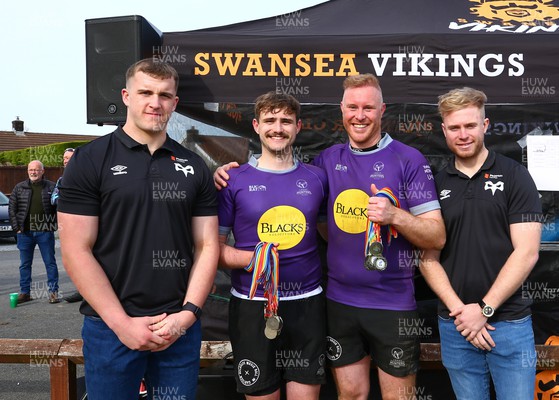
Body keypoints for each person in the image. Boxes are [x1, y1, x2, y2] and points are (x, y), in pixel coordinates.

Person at [216, 74, 446, 400]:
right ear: (342, 110)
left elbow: (436, 237)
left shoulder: (409, 160)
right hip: (338, 304)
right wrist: (223, 173)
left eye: (368, 107)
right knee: (350, 395)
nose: (360, 115)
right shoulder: (326, 162)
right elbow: (323, 226)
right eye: (352, 106)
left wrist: (395, 216)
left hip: (391, 304)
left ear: (383, 110)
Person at [57, 58, 219, 400]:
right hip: (111, 329)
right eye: (145, 92)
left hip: (178, 331)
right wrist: (122, 324)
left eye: (164, 95)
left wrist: (187, 315)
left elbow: (207, 246)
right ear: (126, 96)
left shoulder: (194, 165)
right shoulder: (90, 160)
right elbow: (75, 250)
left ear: (175, 103)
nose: (155, 102)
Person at [419, 87, 542, 400]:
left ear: (485, 126)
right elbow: (427, 257)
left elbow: (526, 253)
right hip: (456, 326)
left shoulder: (516, 176)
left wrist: (485, 309)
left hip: (508, 324)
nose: (463, 134)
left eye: (470, 125)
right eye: (455, 128)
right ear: (444, 130)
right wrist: (463, 313)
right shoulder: (435, 183)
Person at [218, 91, 328, 399]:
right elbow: (212, 250)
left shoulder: (318, 178)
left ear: (298, 127)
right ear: (255, 125)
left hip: (307, 305)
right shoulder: (232, 180)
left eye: (285, 121)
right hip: (252, 306)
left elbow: (330, 234)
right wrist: (259, 260)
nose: (277, 128)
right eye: (269, 120)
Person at [9, 160, 60, 304]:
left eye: (36, 170)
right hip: (25, 233)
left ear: (42, 171)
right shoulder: (19, 188)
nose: (33, 172)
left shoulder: (51, 187)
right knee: (25, 264)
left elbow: (59, 207)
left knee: (50, 262)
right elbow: (12, 209)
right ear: (27, 171)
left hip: (45, 232)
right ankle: (25, 293)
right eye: (31, 169)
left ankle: (53, 292)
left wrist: (54, 225)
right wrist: (16, 228)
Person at [51, 147, 83, 303]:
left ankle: (88, 292)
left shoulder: (85, 176)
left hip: (84, 225)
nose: (66, 161)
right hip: (67, 226)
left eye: (69, 158)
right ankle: (81, 290)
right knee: (71, 259)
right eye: (64, 158)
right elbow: (54, 199)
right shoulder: (61, 180)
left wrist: (67, 198)